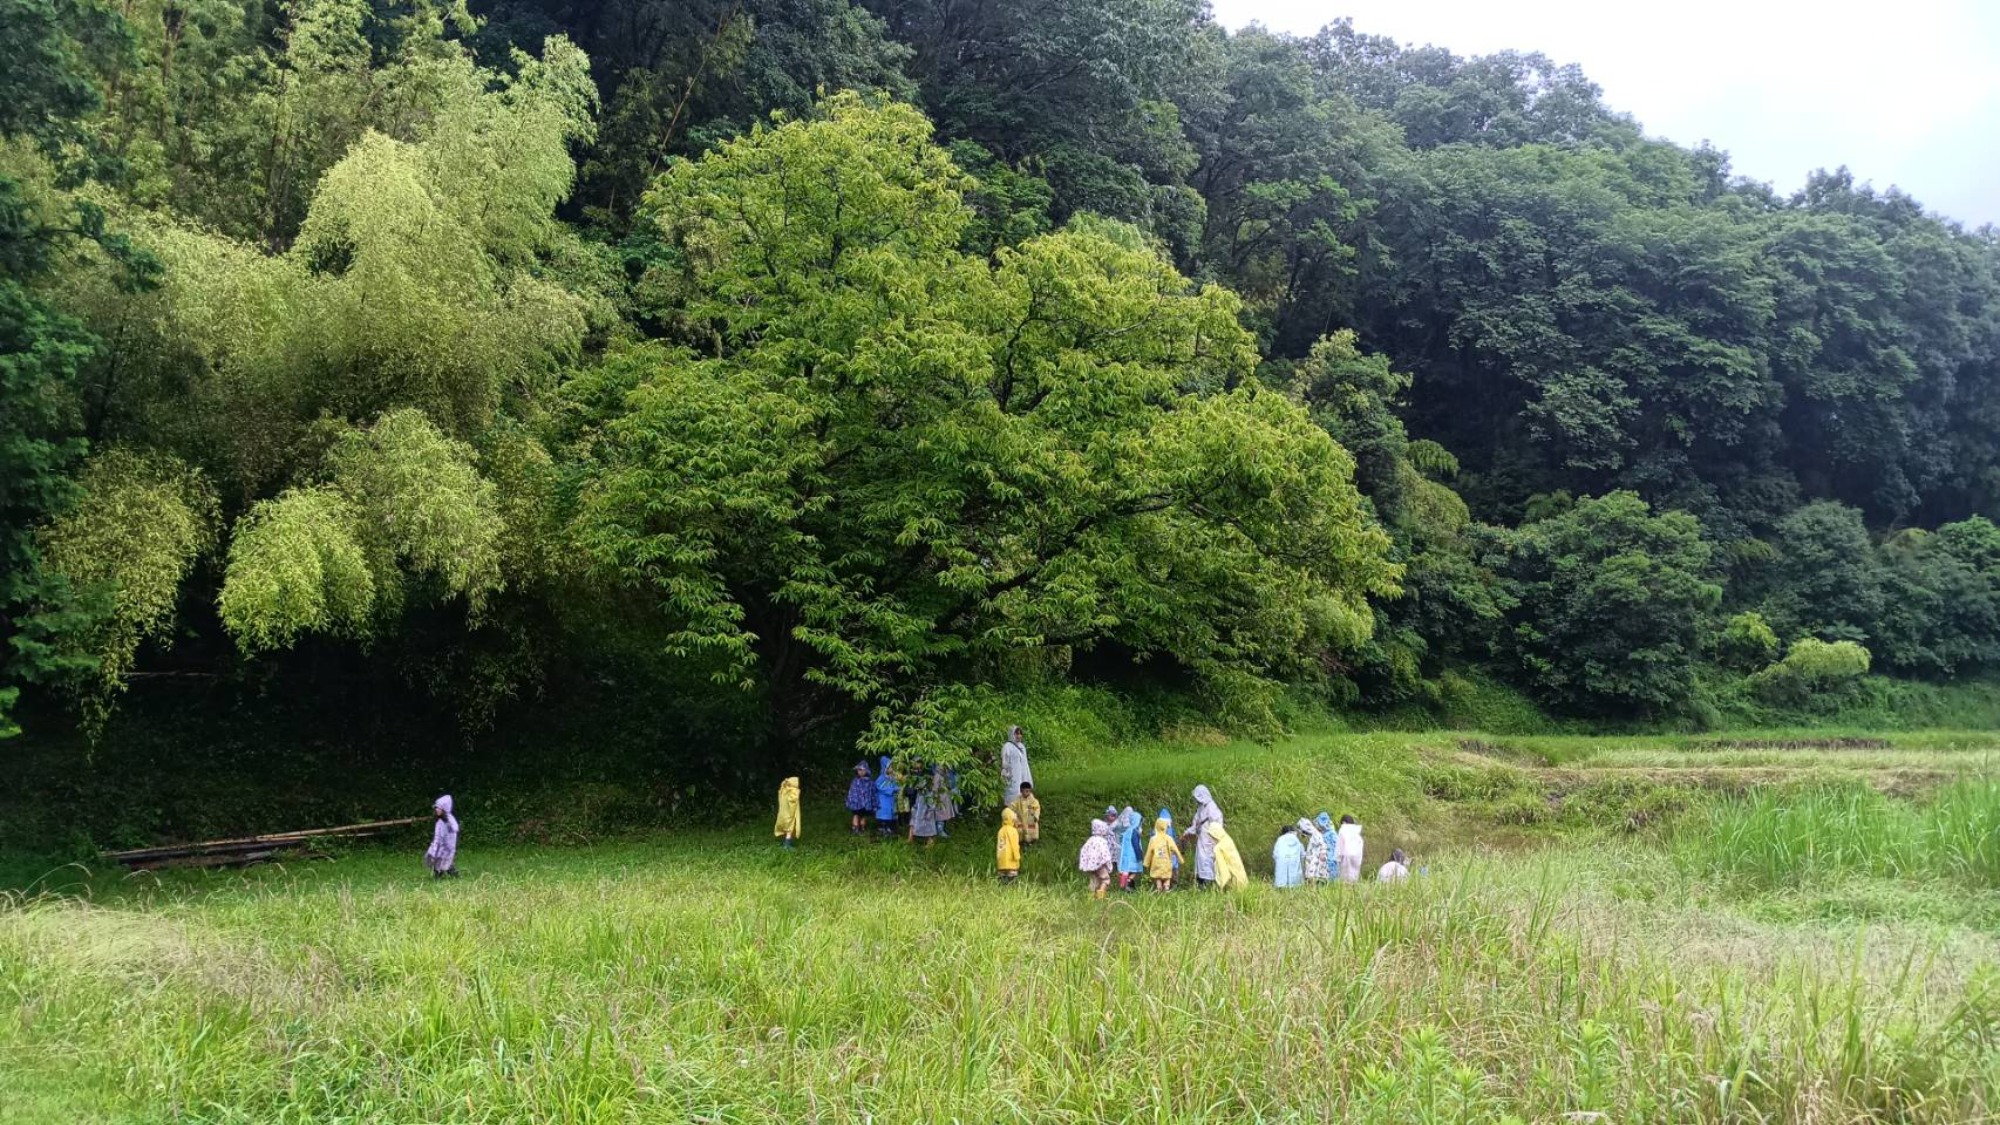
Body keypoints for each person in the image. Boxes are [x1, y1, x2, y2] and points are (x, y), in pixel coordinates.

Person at [1183, 785, 1224, 887]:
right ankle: (1201, 884)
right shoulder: (1200, 808)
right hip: (1202, 839)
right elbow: (1196, 824)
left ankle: (1210, 884)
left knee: (1209, 861)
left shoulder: (1211, 807)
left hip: (1210, 840)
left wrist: (1214, 836)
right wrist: (1187, 832)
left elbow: (1218, 822)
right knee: (1201, 861)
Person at [1078, 817, 1116, 899]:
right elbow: (1106, 855)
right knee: (1105, 880)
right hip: (1100, 865)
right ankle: (1100, 898)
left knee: (1094, 880)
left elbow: (1083, 850)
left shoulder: (1090, 840)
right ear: (1102, 830)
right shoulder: (1102, 841)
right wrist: (1109, 866)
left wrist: (1086, 863)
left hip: (1091, 866)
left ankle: (1090, 897)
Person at [1143, 816, 1182, 892]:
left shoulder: (1153, 839)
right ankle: (1166, 888)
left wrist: (1146, 863)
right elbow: (1175, 849)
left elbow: (1149, 852)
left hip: (1156, 863)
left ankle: (1159, 888)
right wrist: (1180, 859)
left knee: (1158, 877)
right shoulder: (1169, 838)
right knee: (1167, 877)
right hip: (1166, 863)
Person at [1207, 822, 1248, 891]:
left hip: (1232, 879)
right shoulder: (1227, 839)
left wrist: (1222, 886)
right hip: (1241, 874)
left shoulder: (1218, 848)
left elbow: (1222, 869)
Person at [999, 726, 1033, 810]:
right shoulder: (1007, 746)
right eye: (1016, 734)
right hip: (1012, 777)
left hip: (1022, 776)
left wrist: (1027, 777)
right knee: (1012, 796)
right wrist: (1006, 775)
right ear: (1012, 734)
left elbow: (1025, 763)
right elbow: (1005, 762)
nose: (1019, 736)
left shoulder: (1022, 747)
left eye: (1020, 734)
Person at [426, 795, 459, 879]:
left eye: (438, 808)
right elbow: (437, 836)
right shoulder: (440, 821)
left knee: (444, 863)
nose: (436, 809)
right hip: (440, 846)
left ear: (444, 809)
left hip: (446, 847)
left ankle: (453, 876)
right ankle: (439, 877)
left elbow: (454, 830)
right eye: (436, 808)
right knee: (440, 863)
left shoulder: (449, 820)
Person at [907, 769, 941, 846]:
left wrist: (931, 810)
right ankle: (910, 838)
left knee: (928, 827)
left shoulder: (931, 791)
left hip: (926, 811)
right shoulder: (920, 789)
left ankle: (930, 842)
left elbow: (933, 802)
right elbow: (917, 798)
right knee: (913, 823)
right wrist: (914, 807)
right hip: (917, 810)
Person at [1116, 807, 1145, 891]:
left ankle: (1127, 885)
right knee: (1135, 871)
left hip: (1126, 856)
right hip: (1133, 856)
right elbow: (1136, 845)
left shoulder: (1127, 831)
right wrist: (1139, 855)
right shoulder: (1134, 832)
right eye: (1140, 822)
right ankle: (1128, 881)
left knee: (1127, 870)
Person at [873, 756, 901, 838]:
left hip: (891, 800)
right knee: (883, 814)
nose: (892, 769)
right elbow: (879, 786)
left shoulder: (892, 778)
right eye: (890, 767)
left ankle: (889, 829)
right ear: (885, 768)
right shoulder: (881, 778)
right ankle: (882, 829)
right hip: (883, 800)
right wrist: (892, 790)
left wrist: (897, 788)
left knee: (890, 814)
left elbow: (896, 785)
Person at [844, 761, 874, 835]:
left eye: (862, 770)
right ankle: (855, 828)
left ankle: (863, 828)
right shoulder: (855, 781)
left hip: (865, 803)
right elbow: (852, 791)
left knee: (863, 816)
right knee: (856, 815)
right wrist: (851, 800)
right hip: (856, 803)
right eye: (859, 770)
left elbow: (871, 791)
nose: (860, 772)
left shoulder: (869, 781)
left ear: (866, 770)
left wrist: (871, 801)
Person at [1298, 817, 1330, 884]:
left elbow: (1317, 851)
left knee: (1313, 877)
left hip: (1315, 860)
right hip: (1315, 859)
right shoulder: (1314, 834)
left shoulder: (1315, 835)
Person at [1335, 814, 1365, 884]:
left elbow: (1340, 845)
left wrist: (1337, 858)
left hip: (1346, 855)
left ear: (1343, 822)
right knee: (1354, 876)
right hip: (1356, 857)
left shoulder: (1343, 830)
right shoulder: (1356, 831)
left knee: (1344, 878)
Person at [1272, 824, 1303, 888]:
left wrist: (1276, 860)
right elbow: (1302, 853)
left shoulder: (1280, 839)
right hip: (1294, 861)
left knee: (1281, 876)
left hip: (1282, 860)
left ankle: (1281, 886)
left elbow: (1275, 853)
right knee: (1295, 875)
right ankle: (1294, 885)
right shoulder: (1296, 839)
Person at [996, 807, 1022, 883]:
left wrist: (998, 858)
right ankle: (1011, 890)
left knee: (1002, 878)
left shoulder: (1000, 831)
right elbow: (1014, 846)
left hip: (1001, 861)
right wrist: (1017, 857)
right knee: (1012, 878)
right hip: (1011, 860)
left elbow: (999, 846)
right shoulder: (1013, 831)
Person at [774, 777, 801, 847]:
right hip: (789, 815)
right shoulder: (792, 792)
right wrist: (797, 792)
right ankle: (787, 844)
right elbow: (794, 800)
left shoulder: (783, 790)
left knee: (786, 828)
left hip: (782, 814)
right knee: (790, 829)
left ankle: (786, 841)